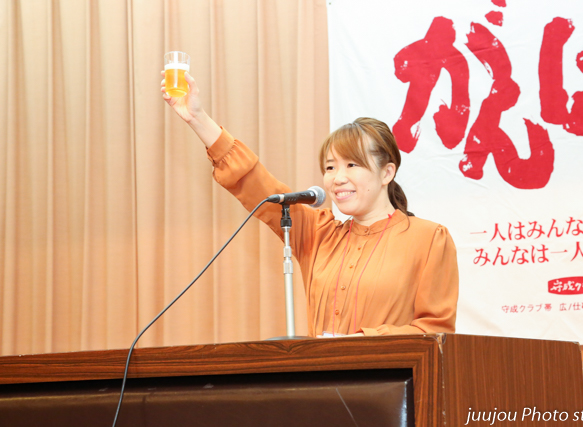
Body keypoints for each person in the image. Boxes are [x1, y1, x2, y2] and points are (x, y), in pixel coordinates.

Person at [161, 71, 459, 337]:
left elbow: (436, 330)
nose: (337, 178)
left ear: (387, 173)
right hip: (321, 380)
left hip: (393, 380)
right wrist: (197, 118)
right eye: (330, 167)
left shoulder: (429, 238)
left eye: (352, 165)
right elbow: (255, 183)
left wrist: (365, 341)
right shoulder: (318, 234)